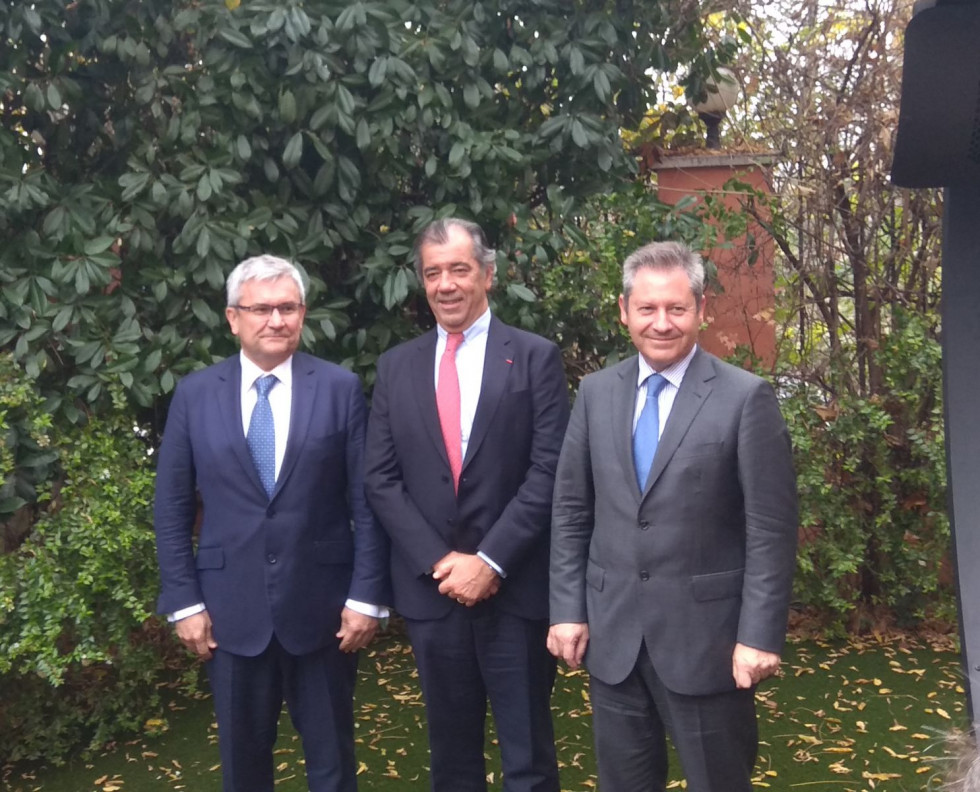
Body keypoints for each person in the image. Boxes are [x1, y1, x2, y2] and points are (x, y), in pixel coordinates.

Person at [548, 241, 798, 792]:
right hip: (613, 643)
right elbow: (570, 510)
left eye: (676, 309)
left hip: (708, 646)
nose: (661, 323)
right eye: (647, 309)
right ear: (624, 311)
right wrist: (567, 608)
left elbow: (771, 530)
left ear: (701, 310)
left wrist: (758, 635)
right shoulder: (594, 393)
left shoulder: (744, 397)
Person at [153, 255, 389, 792]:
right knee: (243, 767)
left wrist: (366, 597)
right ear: (233, 317)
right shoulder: (194, 394)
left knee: (332, 764)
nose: (276, 320)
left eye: (287, 307)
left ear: (303, 314)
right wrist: (184, 602)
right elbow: (170, 506)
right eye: (262, 309)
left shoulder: (339, 388)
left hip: (326, 612)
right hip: (227, 614)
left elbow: (366, 500)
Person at [364, 218, 569, 792]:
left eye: (459, 269)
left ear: (488, 275)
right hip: (435, 595)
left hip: (515, 590)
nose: (446, 284)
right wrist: (440, 561)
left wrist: (491, 560)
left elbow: (550, 470)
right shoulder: (396, 367)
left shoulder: (534, 358)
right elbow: (380, 479)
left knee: (528, 759)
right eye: (434, 272)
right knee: (451, 761)